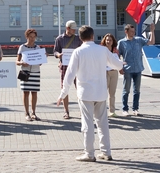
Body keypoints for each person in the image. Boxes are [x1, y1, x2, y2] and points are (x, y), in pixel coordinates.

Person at [57, 25, 124, 162]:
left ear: (80, 38)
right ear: (93, 36)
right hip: (100, 92)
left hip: (85, 92)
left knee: (87, 124)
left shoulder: (78, 52)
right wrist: (121, 63)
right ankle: (106, 151)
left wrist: (63, 93)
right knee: (103, 123)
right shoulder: (103, 50)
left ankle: (89, 153)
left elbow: (69, 74)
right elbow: (118, 65)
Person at [117, 24, 154, 116]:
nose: (133, 33)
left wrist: (152, 31)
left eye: (134, 32)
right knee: (126, 90)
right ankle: (125, 109)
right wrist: (120, 67)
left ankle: (135, 108)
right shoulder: (121, 42)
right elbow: (117, 56)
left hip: (138, 68)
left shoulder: (139, 40)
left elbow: (151, 42)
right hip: (127, 69)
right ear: (126, 31)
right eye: (131, 31)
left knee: (136, 90)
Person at [53, 20, 82, 119]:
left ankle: (82, 110)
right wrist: (58, 55)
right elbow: (55, 51)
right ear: (67, 28)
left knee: (80, 88)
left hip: (77, 66)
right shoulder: (59, 39)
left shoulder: (78, 38)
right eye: (73, 29)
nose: (74, 31)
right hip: (65, 65)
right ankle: (66, 111)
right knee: (65, 88)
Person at [17, 28, 44, 121]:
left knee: (34, 92)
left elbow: (40, 63)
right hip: (25, 72)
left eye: (34, 37)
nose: (32, 39)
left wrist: (42, 58)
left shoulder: (38, 47)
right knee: (26, 92)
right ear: (26, 37)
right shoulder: (22, 47)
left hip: (35, 72)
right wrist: (22, 63)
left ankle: (33, 113)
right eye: (30, 37)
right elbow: (17, 61)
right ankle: (26, 113)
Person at [101, 33, 122, 117]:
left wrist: (120, 68)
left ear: (113, 41)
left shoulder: (115, 50)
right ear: (104, 41)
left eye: (110, 40)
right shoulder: (102, 50)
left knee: (112, 93)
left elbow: (118, 61)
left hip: (114, 72)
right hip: (104, 72)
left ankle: (112, 111)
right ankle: (101, 111)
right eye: (107, 40)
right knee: (103, 93)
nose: (108, 41)